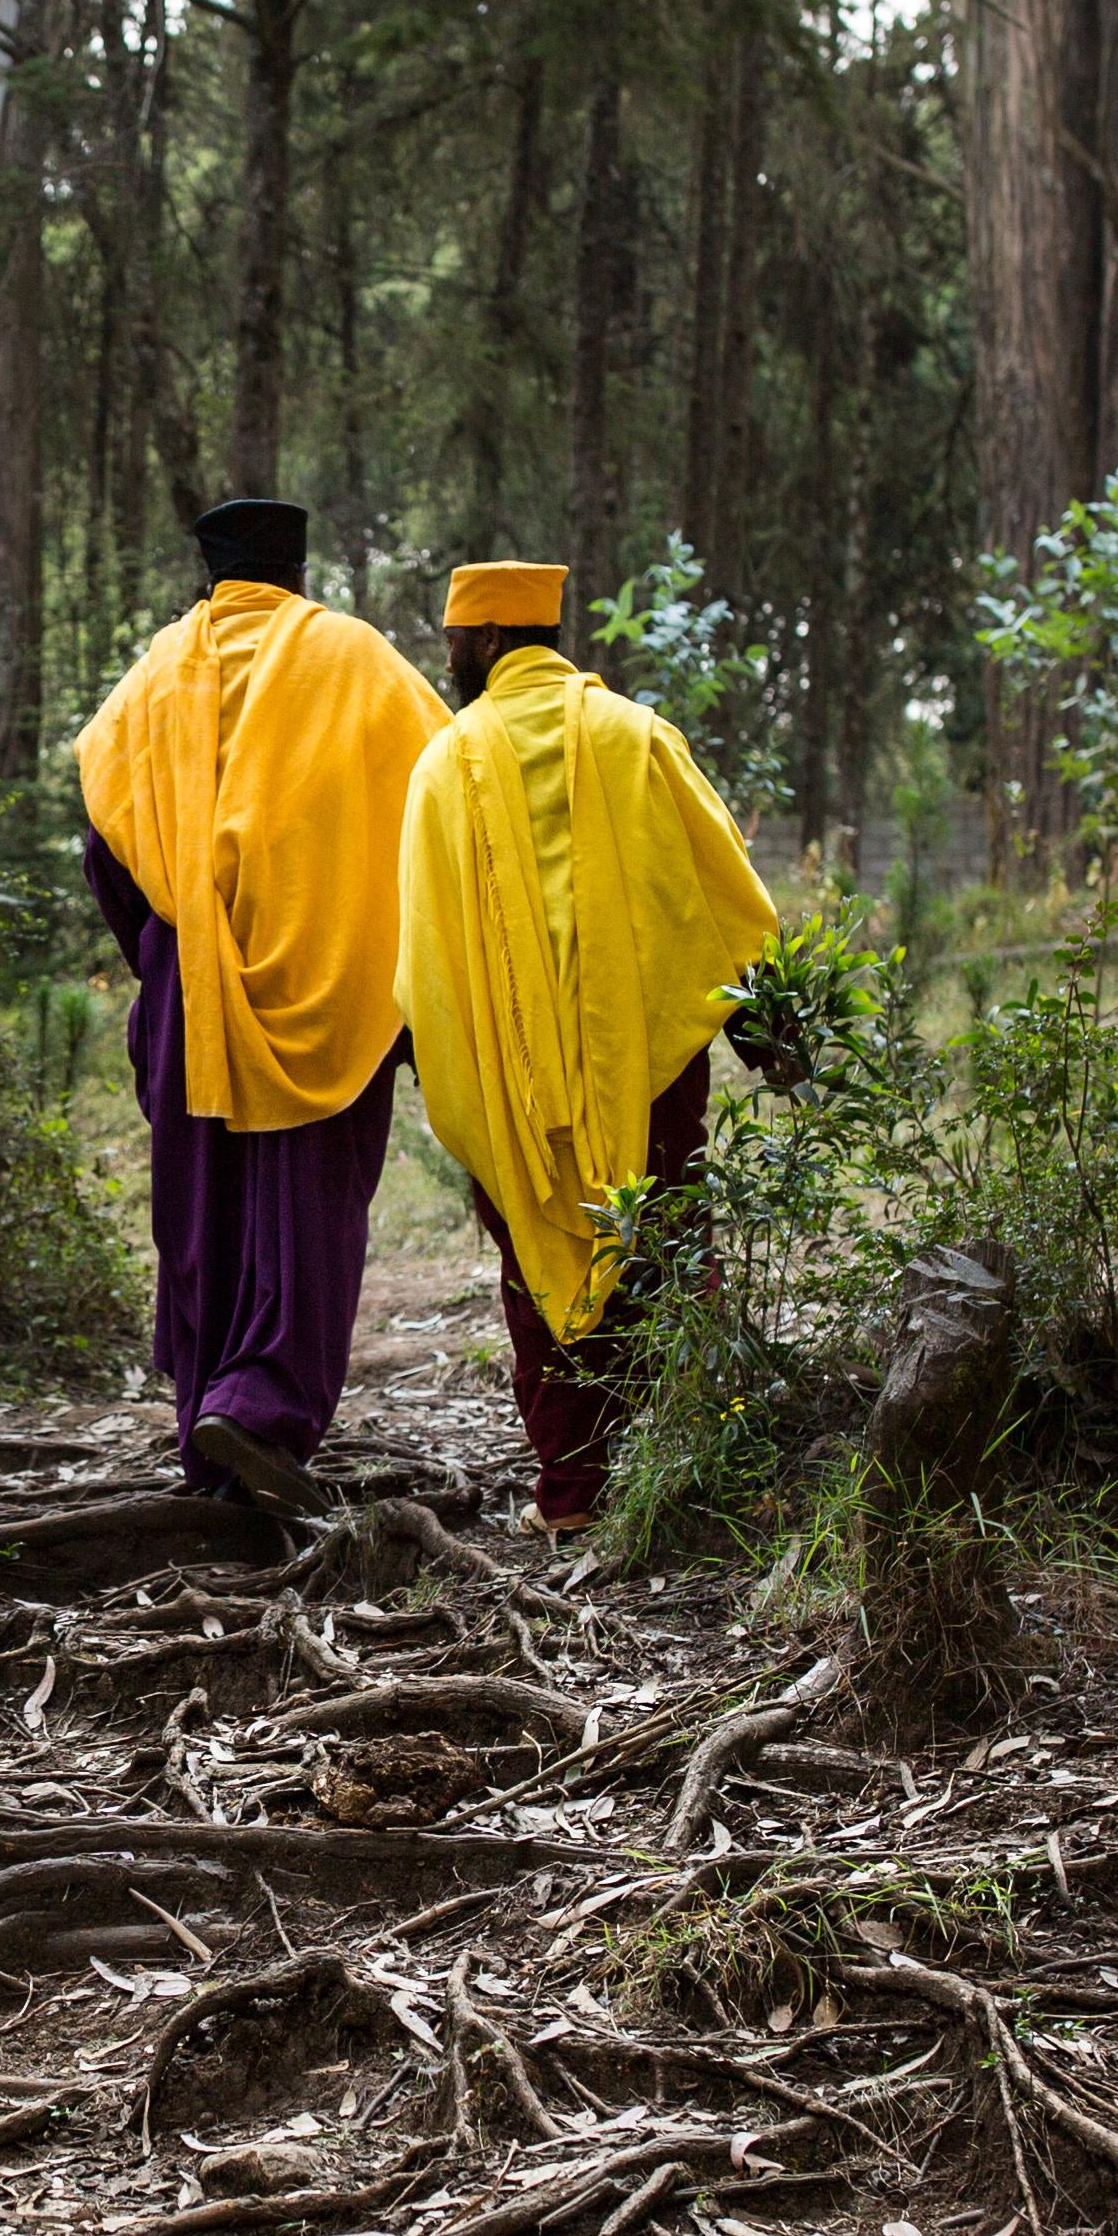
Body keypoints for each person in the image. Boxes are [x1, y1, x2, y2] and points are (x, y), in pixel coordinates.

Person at [392, 560, 795, 1532]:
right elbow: (721, 896)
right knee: (661, 1245)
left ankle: (575, 1495)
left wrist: (424, 1055)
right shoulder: (639, 740)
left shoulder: (445, 767)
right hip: (642, 1066)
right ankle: (695, 1473)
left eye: (452, 639)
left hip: (511, 1079)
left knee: (540, 1269)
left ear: (485, 641)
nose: (447, 657)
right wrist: (768, 1028)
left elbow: (423, 956)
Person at [70, 495, 449, 1508]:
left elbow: (103, 844)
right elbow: (437, 805)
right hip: (328, 983)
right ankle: (265, 1407)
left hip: (188, 983)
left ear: (210, 573)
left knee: (207, 1215)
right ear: (297, 572)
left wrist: (165, 959)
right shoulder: (358, 661)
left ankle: (211, 1429)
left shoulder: (153, 677)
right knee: (309, 1212)